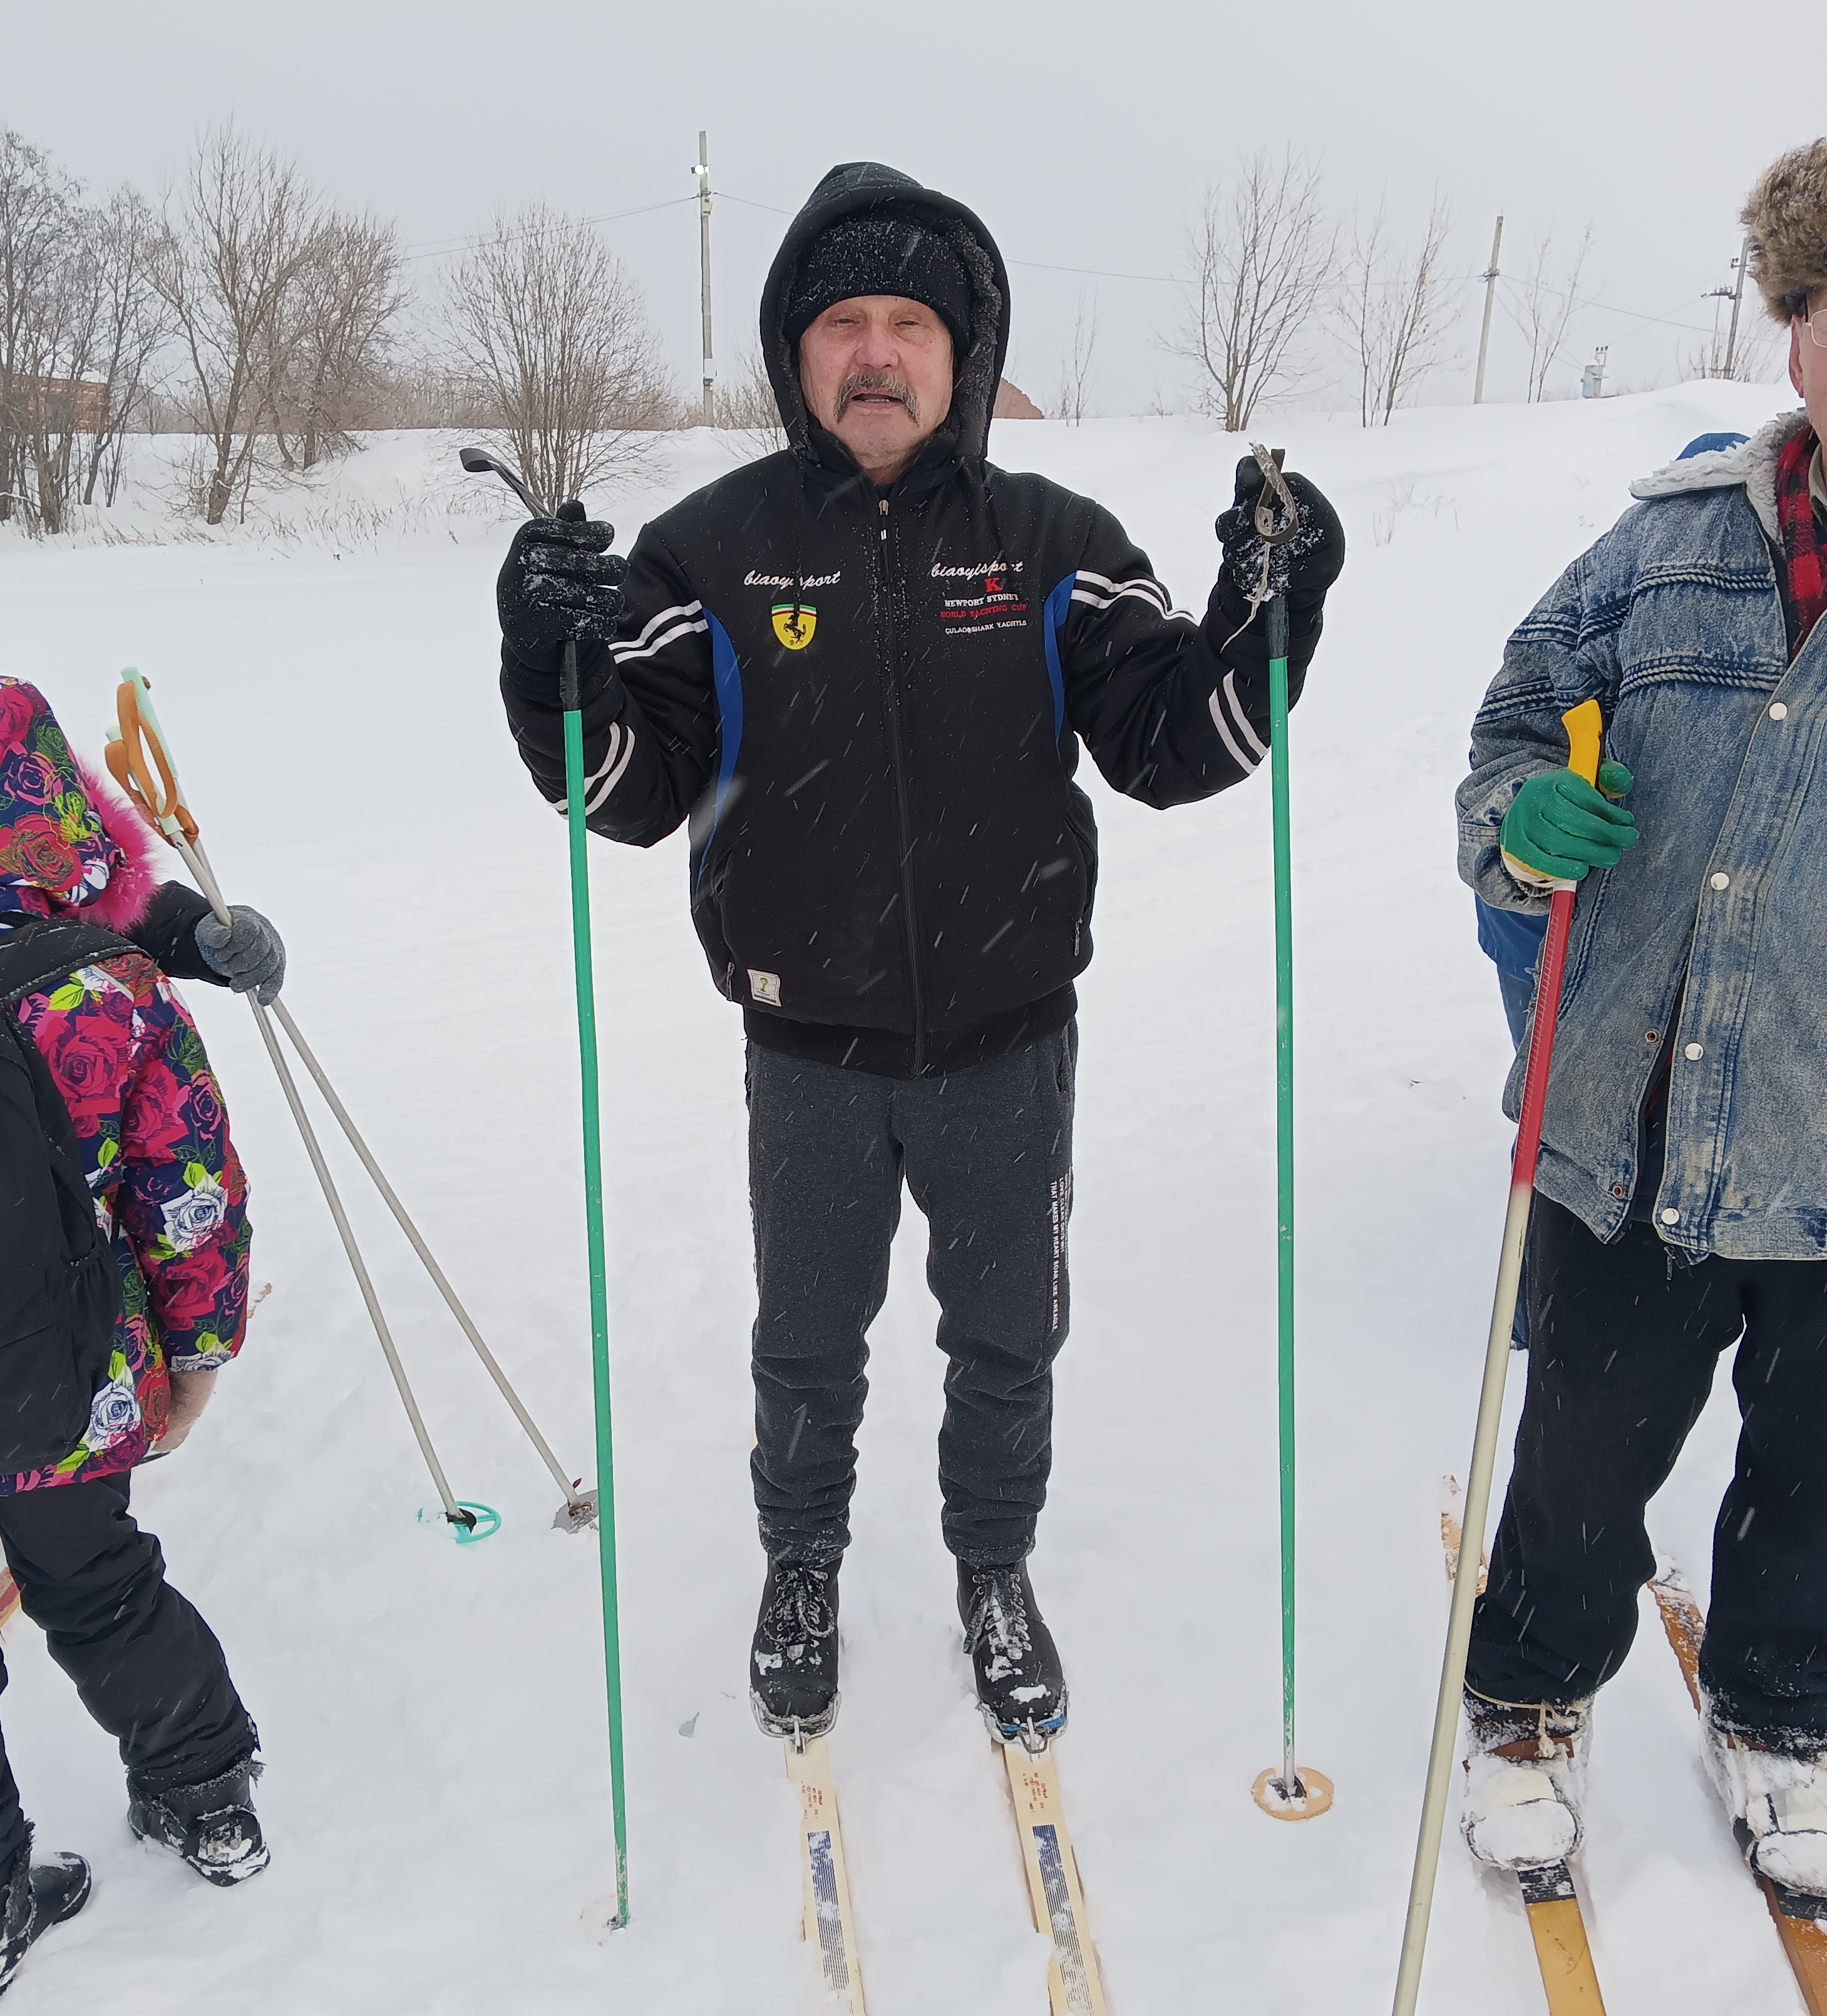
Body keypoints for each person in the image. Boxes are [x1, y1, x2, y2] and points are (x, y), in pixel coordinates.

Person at [496, 162, 1344, 1745]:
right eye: (842, 324)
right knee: (807, 1348)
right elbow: (627, 791)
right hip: (803, 1051)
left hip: (1009, 1047)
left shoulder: (1056, 542)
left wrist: (1269, 609)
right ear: (793, 353)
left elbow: (1177, 742)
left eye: (909, 322)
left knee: (1007, 1341)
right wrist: (541, 655)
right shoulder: (706, 555)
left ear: (964, 353)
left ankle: (994, 1570)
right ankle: (799, 1564)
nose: (874, 353)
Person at [1452, 144, 1827, 1898]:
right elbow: (1515, 723)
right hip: (1634, 1119)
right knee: (1584, 1448)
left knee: (1817, 1481)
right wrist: (1518, 822)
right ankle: (1528, 1693)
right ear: (1795, 333)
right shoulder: (1670, 544)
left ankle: (1783, 1712)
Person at [0, 676, 265, 2003]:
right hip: (72, 1391)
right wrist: (198, 1354)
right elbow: (188, 1194)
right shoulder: (100, 990)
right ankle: (208, 1794)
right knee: (106, 1591)